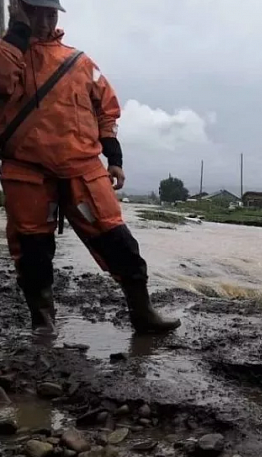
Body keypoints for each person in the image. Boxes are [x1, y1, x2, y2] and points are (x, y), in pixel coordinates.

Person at [0, 0, 181, 335]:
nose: (44, 21)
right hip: (27, 173)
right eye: (35, 13)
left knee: (119, 242)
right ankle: (43, 322)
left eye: (50, 14)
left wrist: (114, 158)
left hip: (83, 169)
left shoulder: (79, 62)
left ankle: (143, 314)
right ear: (20, 11)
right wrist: (17, 33)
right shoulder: (9, 54)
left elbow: (106, 110)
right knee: (32, 252)